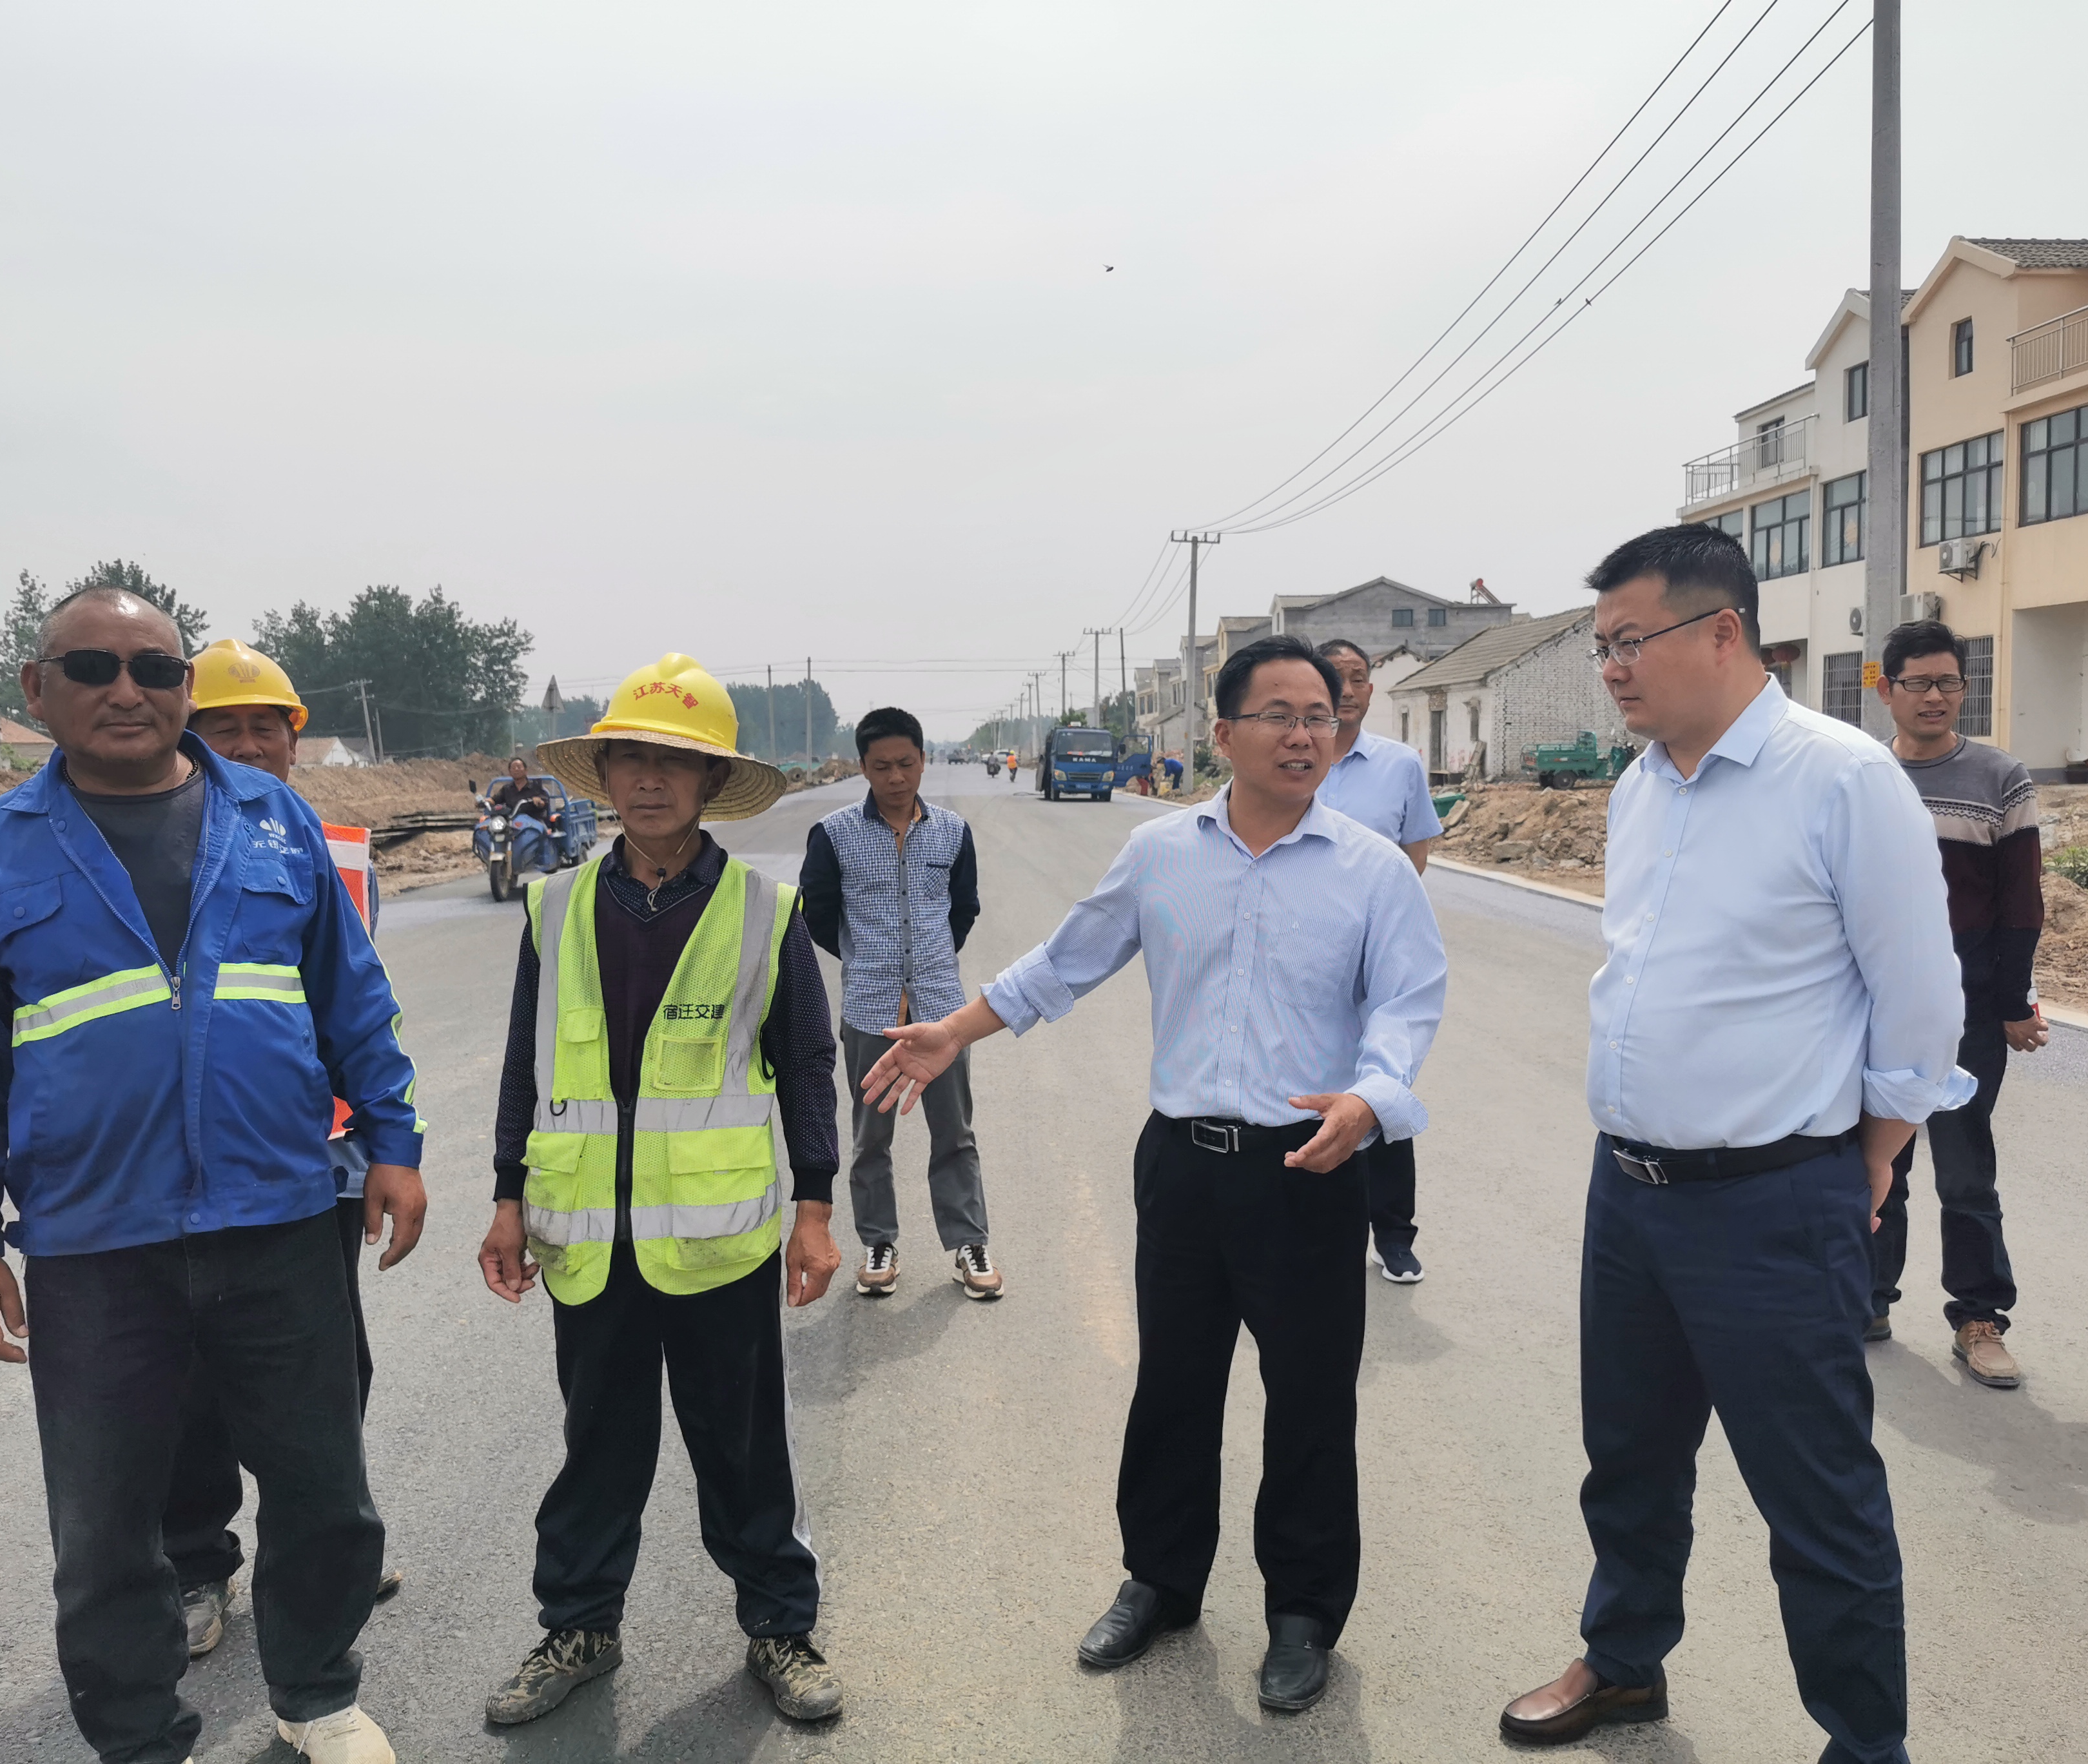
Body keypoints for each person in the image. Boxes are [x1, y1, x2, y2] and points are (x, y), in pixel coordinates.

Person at [860, 634, 1446, 1714]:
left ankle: (1303, 1611)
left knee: (1309, 1400)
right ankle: (1161, 1581)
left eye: (1319, 716)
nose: (1303, 734)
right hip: (1182, 1167)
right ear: (1222, 734)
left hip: (1307, 1166)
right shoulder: (1160, 852)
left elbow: (1407, 1008)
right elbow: (1064, 961)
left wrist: (1372, 1100)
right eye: (1278, 714)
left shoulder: (1371, 870)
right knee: (1174, 1384)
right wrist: (955, 1030)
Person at [0, 588, 426, 1764]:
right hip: (96, 1246)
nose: (125, 689)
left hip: (280, 1217)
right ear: (37, 690)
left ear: (185, 688)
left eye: (153, 667)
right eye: (92, 666)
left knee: (324, 1490)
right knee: (105, 1530)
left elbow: (354, 998)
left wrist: (394, 1143)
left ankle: (316, 1695)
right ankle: (142, 1738)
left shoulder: (273, 820)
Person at [1498, 527, 1966, 1763]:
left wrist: (1874, 1152)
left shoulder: (1840, 779)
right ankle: (1622, 1660)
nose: (1609, 667)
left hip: (1770, 1202)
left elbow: (1920, 1001)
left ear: (1720, 632)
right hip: (1629, 1191)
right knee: (1628, 1459)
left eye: (1627, 641)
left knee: (1814, 1495)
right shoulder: (1642, 784)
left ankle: (1862, 1746)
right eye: (1600, 646)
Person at [476, 654, 847, 1727]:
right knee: (597, 1448)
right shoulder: (553, 908)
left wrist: (815, 1209)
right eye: (632, 757)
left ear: (709, 780)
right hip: (590, 1237)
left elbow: (807, 1064)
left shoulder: (764, 910)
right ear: (603, 774)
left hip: (719, 1239)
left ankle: (779, 1627)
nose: (649, 779)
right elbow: (525, 1064)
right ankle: (580, 1628)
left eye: (675, 762)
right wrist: (507, 1197)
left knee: (743, 1449)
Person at [167, 638, 405, 1658]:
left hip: (324, 1160)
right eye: (224, 728)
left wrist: (390, 1139)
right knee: (192, 1378)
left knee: (326, 1366)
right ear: (187, 738)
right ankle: (195, 1562)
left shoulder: (336, 849)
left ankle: (318, 1545)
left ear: (295, 740)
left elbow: (362, 1002)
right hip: (195, 1164)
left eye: (266, 726)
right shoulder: (158, 844)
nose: (249, 745)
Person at [1869, 620, 2046, 1386]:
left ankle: (1979, 1318)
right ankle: (1865, 1300)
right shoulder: (1862, 775)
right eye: (1919, 683)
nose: (1935, 697)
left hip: (1966, 1014)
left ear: (1964, 689)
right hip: (1872, 1011)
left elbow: (2022, 904)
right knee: (1876, 1160)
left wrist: (2013, 1001)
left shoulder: (2001, 778)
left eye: (1948, 682)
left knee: (1966, 1169)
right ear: (1888, 690)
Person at [799, 707, 995, 1299]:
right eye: (882, 766)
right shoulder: (834, 834)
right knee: (870, 1138)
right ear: (863, 767)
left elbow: (964, 908)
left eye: (906, 763)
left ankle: (969, 1242)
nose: (895, 777)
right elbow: (818, 913)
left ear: (923, 761)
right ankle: (878, 1242)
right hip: (870, 1010)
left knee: (954, 1133)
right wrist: (865, 959)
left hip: (941, 1008)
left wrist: (932, 958)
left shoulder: (952, 833)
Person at [1314, 638, 1443, 1286]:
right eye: (1335, 677)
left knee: (1384, 1083)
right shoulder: (1292, 758)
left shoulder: (1399, 766)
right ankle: (1309, 1224)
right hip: (1301, 952)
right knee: (1308, 1082)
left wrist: (1385, 923)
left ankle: (1394, 1235)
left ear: (1371, 689)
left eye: (1359, 677)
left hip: (1379, 954)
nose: (1348, 689)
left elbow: (1414, 851)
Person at [492, 756, 553, 825]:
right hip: (512, 822)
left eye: (519, 767)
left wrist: (539, 802)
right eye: (513, 768)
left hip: (535, 822)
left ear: (526, 771)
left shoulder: (536, 787)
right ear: (510, 772)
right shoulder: (507, 789)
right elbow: (495, 800)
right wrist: (487, 802)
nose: (516, 769)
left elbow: (544, 803)